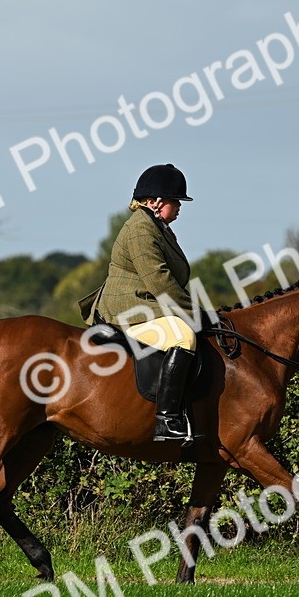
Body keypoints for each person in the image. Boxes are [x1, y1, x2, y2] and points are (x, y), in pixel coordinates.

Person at [78, 163, 202, 442]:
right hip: (127, 310)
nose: (179, 207)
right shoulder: (140, 230)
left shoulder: (158, 227)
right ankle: (166, 419)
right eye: (175, 201)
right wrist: (195, 312)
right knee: (183, 336)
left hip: (145, 303)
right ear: (154, 202)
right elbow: (159, 280)